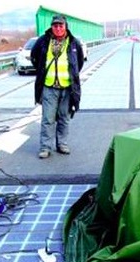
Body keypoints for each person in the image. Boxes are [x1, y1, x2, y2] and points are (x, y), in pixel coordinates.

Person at [31, 14, 85, 159]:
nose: (58, 28)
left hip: (67, 88)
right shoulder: (43, 41)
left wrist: (71, 76)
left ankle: (62, 144)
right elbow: (34, 57)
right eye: (55, 26)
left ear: (65, 27)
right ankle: (45, 147)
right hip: (49, 87)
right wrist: (42, 71)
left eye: (61, 25)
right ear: (51, 27)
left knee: (64, 117)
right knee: (47, 119)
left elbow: (78, 62)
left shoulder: (74, 42)